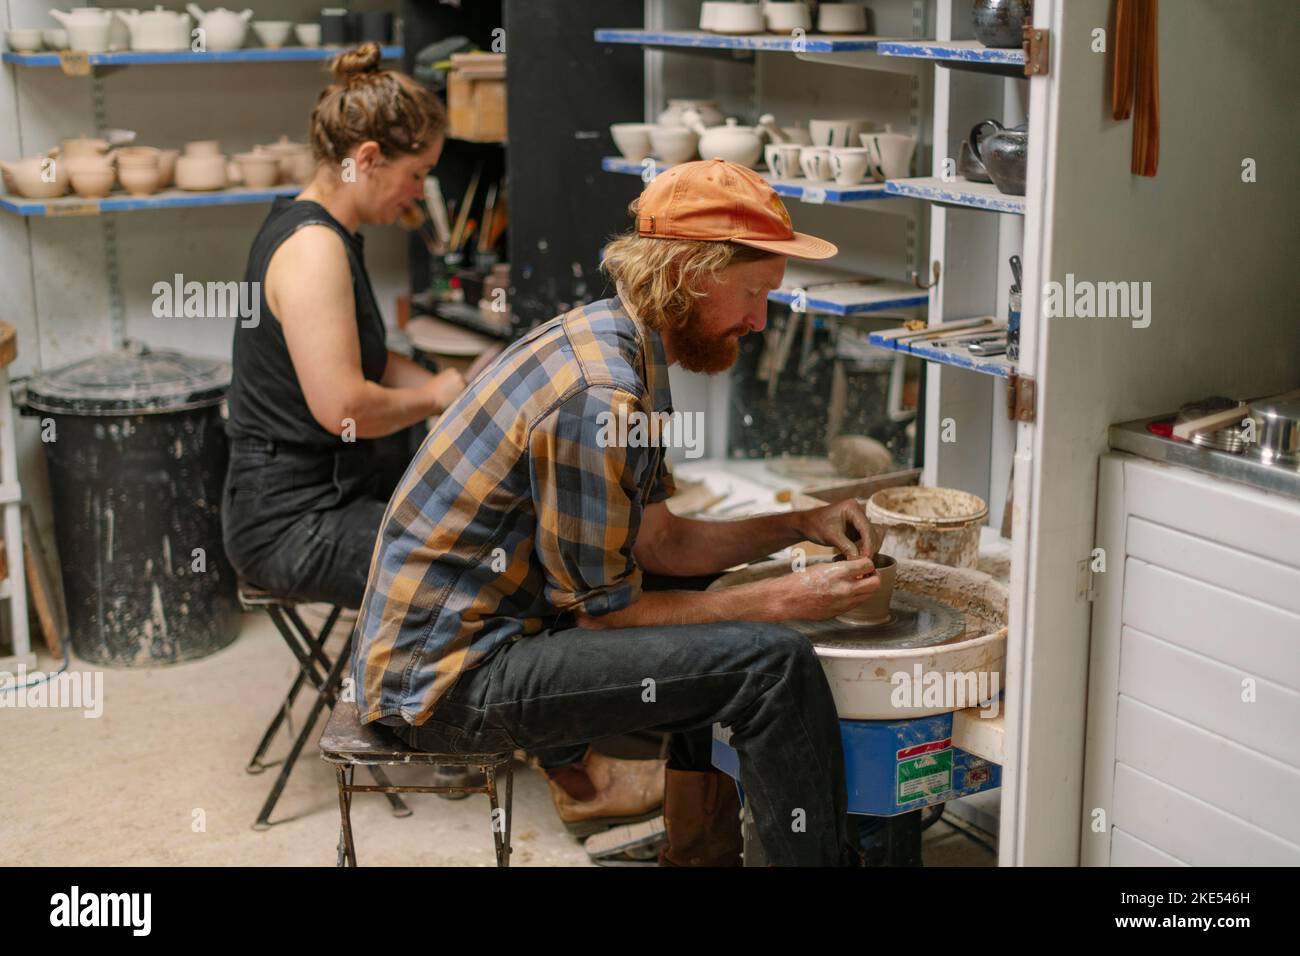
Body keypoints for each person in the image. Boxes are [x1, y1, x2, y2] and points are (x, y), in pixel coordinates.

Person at [352, 159, 884, 866]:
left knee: (719, 611)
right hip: (446, 686)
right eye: (754, 294)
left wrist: (796, 523)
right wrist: (784, 596)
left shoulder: (626, 343)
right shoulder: (600, 394)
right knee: (770, 662)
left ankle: (698, 857)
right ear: (692, 272)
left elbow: (661, 542)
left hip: (481, 642)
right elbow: (606, 613)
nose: (759, 321)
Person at [222, 43, 464, 610]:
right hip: (291, 520)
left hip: (328, 491)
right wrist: (434, 396)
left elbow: (369, 362)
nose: (417, 194)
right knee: (468, 570)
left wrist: (462, 388)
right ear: (371, 157)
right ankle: (379, 699)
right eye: (417, 174)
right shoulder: (314, 248)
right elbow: (346, 409)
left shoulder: (322, 228)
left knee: (477, 528)